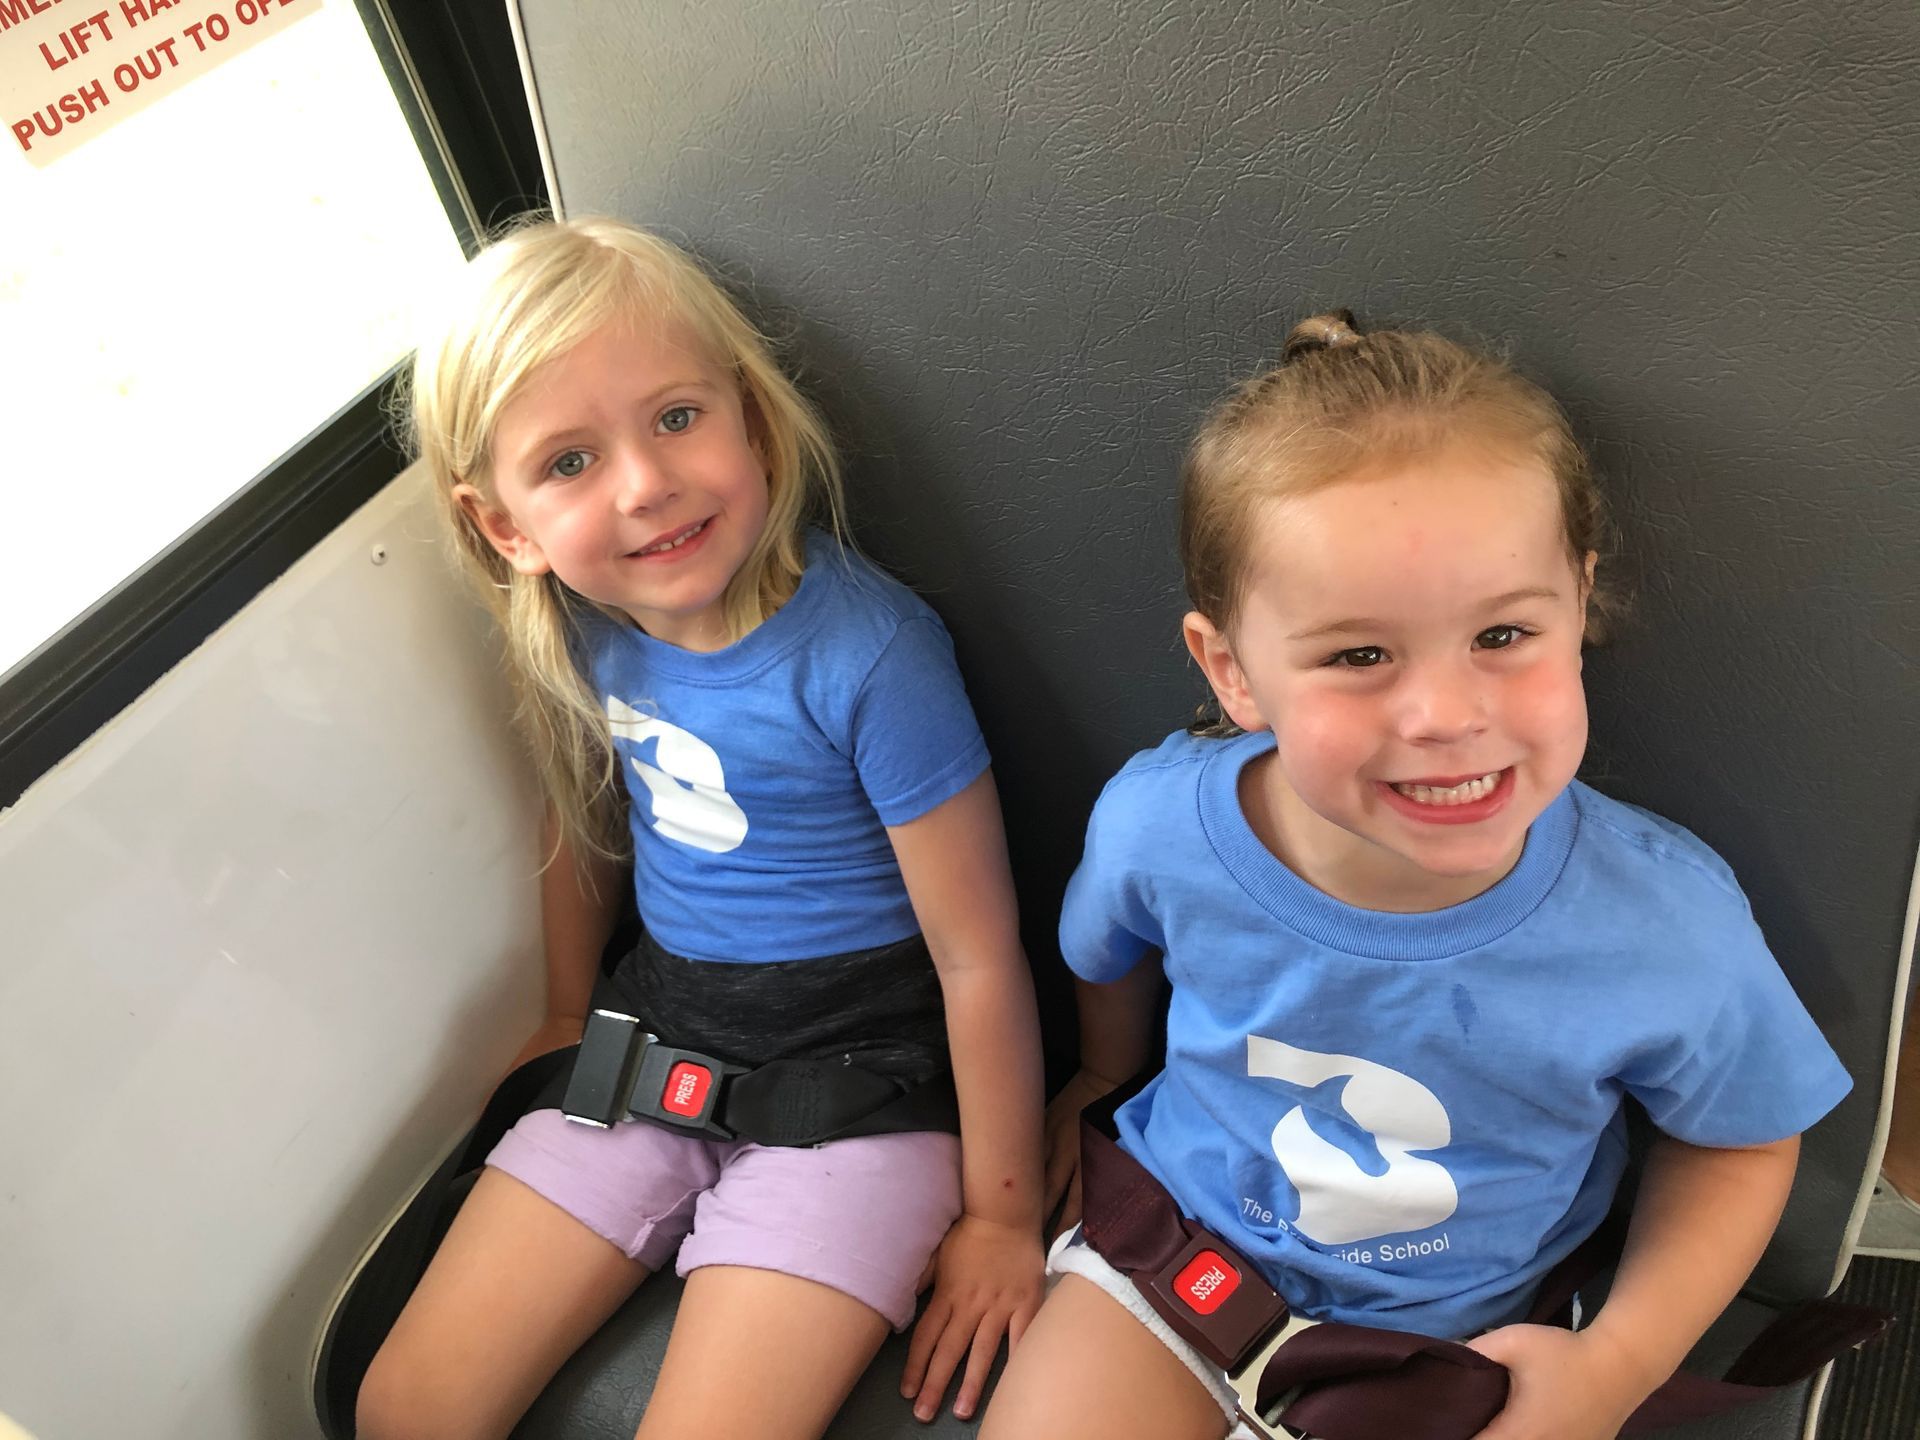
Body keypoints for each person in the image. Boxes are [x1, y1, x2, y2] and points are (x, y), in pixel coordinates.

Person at [981, 313, 1852, 1440]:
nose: (1444, 717)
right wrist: (1099, 1083)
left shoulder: (1664, 919)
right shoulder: (1162, 825)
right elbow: (1106, 956)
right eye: (1358, 656)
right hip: (1174, 1276)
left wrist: (1617, 1364)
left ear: (1578, 606)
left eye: (1502, 636)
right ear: (1232, 670)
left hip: (1459, 1342)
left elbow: (1736, 1136)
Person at [356, 217, 1045, 1440]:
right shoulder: (582, 629)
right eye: (569, 462)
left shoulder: (873, 657)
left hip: (868, 1094)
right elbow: (584, 825)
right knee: (405, 1408)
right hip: (659, 1039)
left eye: (677, 418)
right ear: (503, 526)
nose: (644, 483)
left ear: (752, 420)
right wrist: (568, 1014)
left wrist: (1002, 1215)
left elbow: (979, 956)